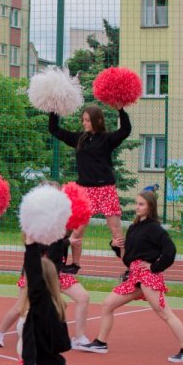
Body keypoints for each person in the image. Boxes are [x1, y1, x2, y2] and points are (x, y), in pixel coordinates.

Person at [0, 235, 174, 365]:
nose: (26, 278)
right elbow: (61, 343)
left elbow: (38, 266)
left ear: (40, 281)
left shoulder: (44, 306)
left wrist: (30, 243)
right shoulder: (37, 305)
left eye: (30, 275)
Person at [78, 191, 183, 362]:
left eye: (141, 204)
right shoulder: (133, 227)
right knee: (107, 304)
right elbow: (128, 257)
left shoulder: (155, 229)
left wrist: (154, 267)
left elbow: (170, 251)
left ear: (150, 206)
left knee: (165, 313)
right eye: (136, 203)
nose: (137, 207)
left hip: (147, 277)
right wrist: (115, 246)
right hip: (134, 277)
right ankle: (101, 343)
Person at [49, 105, 131, 274]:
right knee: (77, 231)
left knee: (116, 231)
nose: (84, 123)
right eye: (83, 120)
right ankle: (75, 264)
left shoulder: (107, 139)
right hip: (84, 191)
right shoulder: (80, 139)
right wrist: (54, 110)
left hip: (105, 189)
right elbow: (55, 129)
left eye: (87, 120)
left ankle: (131, 268)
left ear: (98, 121)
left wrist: (121, 110)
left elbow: (125, 130)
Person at [0, 233, 90, 349]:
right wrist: (67, 242)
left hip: (55, 271)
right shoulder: (39, 227)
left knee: (83, 297)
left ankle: (79, 338)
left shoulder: (60, 225)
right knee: (21, 306)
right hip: (36, 270)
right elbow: (41, 246)